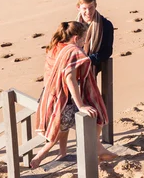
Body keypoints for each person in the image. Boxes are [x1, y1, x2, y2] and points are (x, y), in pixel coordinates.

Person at [32, 21, 117, 168]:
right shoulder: (72, 51)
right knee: (95, 116)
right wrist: (81, 104)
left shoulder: (55, 46)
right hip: (60, 104)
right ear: (76, 38)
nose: (85, 43)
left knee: (63, 125)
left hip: (48, 100)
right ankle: (97, 149)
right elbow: (69, 78)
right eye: (84, 39)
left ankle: (61, 153)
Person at [76, 0, 114, 74]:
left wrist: (88, 60)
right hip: (76, 67)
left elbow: (107, 51)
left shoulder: (106, 25)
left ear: (95, 6)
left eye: (91, 8)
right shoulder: (73, 27)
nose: (88, 12)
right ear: (78, 7)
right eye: (84, 8)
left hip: (94, 65)